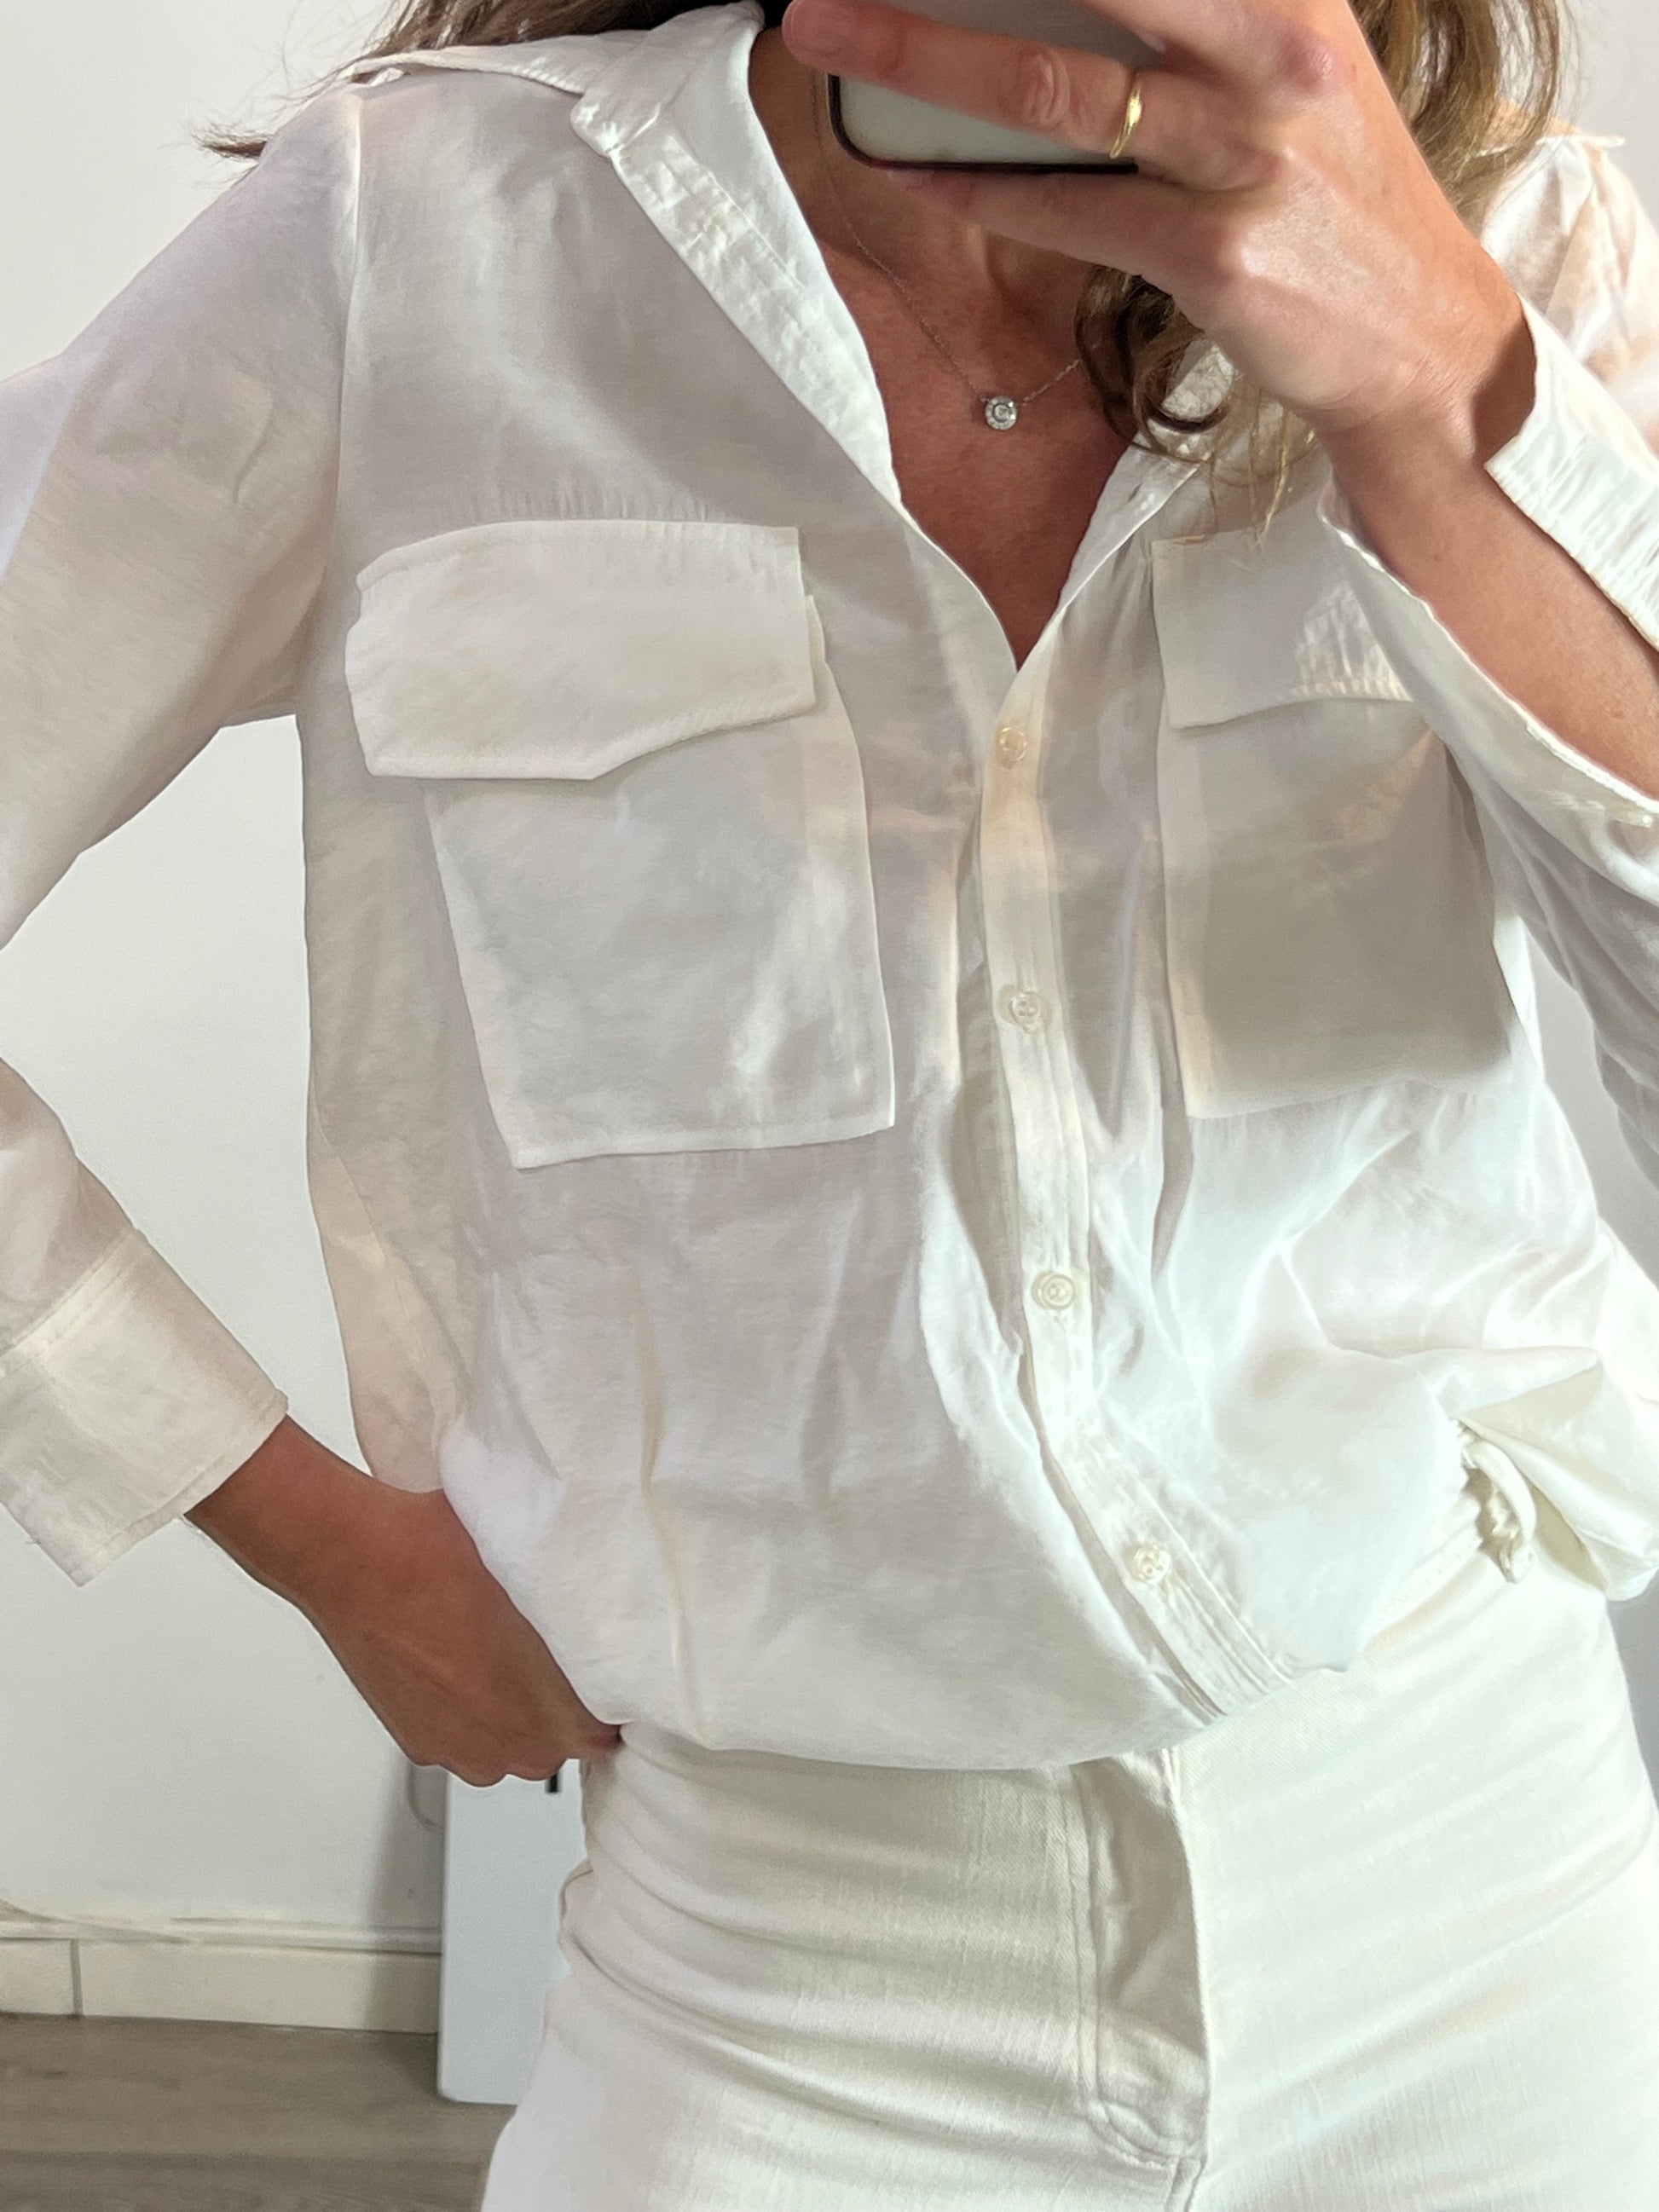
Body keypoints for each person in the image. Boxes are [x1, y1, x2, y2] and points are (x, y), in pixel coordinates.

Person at [3, 0, 1659, 2200]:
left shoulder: (1500, 236)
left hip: (1481, 1870)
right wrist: (307, 1534)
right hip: (780, 1959)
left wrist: (1444, 398)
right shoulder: (416, 238)